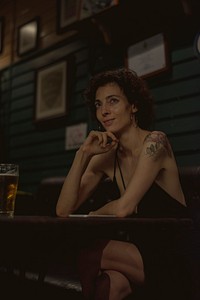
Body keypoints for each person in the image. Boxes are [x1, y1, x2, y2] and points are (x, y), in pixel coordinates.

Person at [56, 68, 188, 300]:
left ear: (133, 105)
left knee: (89, 254)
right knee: (107, 287)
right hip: (139, 250)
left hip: (175, 254)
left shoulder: (156, 142)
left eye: (113, 101)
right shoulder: (106, 156)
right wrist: (83, 153)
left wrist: (94, 214)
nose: (104, 111)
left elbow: (124, 208)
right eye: (98, 105)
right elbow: (63, 209)